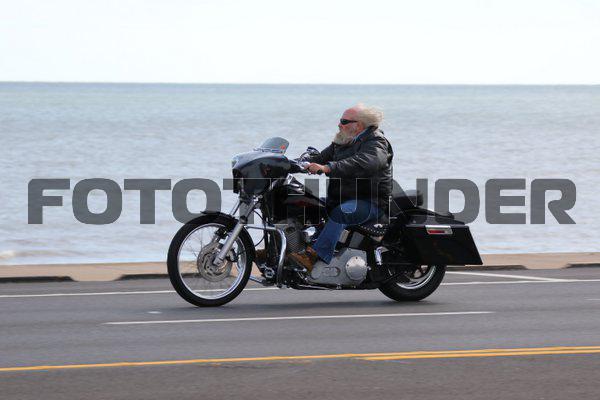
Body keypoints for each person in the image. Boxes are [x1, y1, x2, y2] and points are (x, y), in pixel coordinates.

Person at [289, 104, 393, 271]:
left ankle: (314, 257)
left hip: (369, 202)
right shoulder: (343, 141)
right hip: (340, 198)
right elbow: (319, 158)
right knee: (305, 204)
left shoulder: (376, 141)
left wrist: (328, 168)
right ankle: (284, 251)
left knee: (343, 213)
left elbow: (367, 162)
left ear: (359, 125)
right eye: (340, 121)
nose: (339, 125)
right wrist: (286, 164)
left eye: (344, 121)